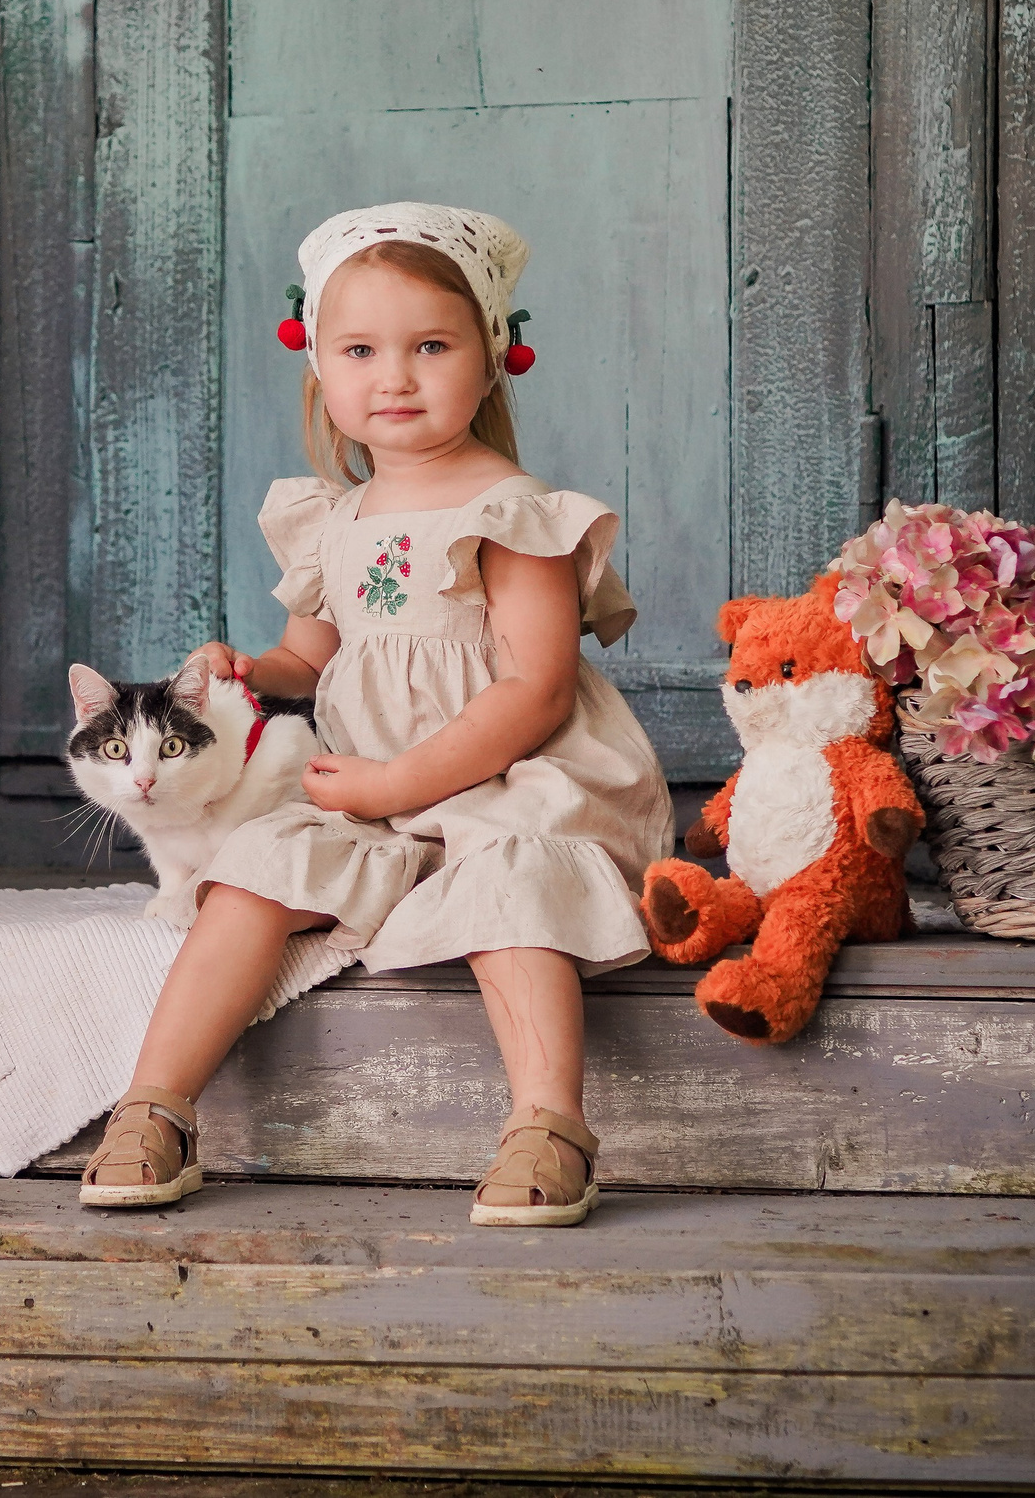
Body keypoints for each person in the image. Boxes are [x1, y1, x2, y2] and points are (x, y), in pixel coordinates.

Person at [79, 203, 672, 1226]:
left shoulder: (513, 514)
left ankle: (548, 1122)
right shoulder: (334, 517)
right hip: (377, 794)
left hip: (512, 780)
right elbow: (312, 657)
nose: (393, 377)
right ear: (320, 371)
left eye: (430, 346)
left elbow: (532, 689)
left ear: (492, 361)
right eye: (360, 350)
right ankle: (156, 1104)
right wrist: (247, 667)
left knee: (513, 878)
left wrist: (402, 782)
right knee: (253, 869)